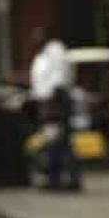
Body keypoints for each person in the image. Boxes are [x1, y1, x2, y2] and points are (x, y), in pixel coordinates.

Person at [29, 28, 82, 191]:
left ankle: (67, 179)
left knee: (60, 142)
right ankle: (56, 178)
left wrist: (53, 105)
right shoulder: (42, 55)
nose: (35, 39)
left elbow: (58, 79)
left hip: (56, 103)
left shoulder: (55, 50)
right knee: (54, 143)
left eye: (38, 36)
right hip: (46, 103)